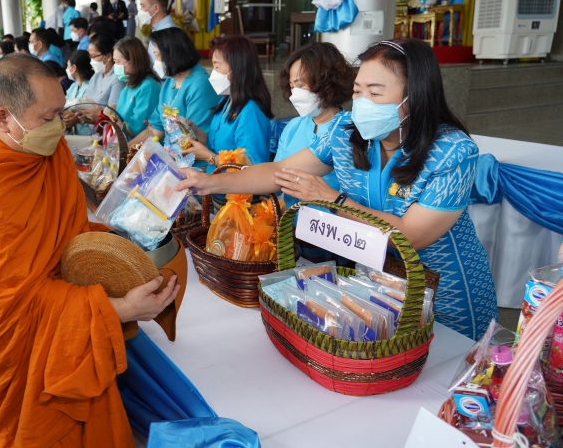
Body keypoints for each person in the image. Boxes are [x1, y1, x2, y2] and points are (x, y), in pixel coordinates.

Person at [177, 38, 499, 340]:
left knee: (452, 373)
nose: (361, 103)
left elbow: (412, 236)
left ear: (416, 95)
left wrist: (334, 200)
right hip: (375, 281)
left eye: (375, 93)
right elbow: (279, 172)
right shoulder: (344, 132)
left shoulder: (453, 152)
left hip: (444, 289)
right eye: (358, 91)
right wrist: (212, 180)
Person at [0, 54, 180, 448]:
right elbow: (10, 303)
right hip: (23, 347)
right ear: (2, 119)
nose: (57, 126)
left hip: (65, 316)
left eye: (60, 113)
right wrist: (119, 310)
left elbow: (66, 233)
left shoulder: (40, 151)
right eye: (47, 117)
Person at [274, 43, 353, 209]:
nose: (295, 94)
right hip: (289, 226)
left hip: (332, 229)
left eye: (301, 85)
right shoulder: (293, 127)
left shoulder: (349, 131)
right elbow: (274, 175)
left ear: (326, 82)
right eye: (292, 86)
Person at [129, 28, 218, 169]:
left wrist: (155, 163)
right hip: (172, 160)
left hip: (195, 166)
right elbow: (155, 130)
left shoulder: (199, 84)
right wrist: (126, 149)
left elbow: (193, 140)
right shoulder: (170, 82)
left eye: (157, 56)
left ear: (171, 54)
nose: (154, 63)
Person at [181, 35, 273, 172]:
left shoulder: (250, 111)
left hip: (234, 191)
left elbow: (249, 166)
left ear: (238, 68)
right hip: (215, 186)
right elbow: (219, 145)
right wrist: (195, 132)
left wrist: (209, 157)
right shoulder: (227, 102)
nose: (213, 73)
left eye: (217, 66)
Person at [112, 37, 160, 138]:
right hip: (124, 142)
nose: (115, 66)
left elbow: (138, 128)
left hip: (140, 147)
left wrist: (113, 120)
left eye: (117, 62)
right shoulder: (129, 85)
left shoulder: (148, 86)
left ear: (132, 61)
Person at [84, 32, 124, 115]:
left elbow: (112, 113)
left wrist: (98, 114)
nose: (92, 61)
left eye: (94, 56)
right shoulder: (96, 76)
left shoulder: (117, 79)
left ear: (109, 56)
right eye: (90, 56)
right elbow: (85, 101)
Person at [139, 0, 176, 65]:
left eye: (143, 6)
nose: (140, 11)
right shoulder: (157, 28)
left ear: (155, 8)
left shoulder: (168, 32)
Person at [63, 49, 95, 135]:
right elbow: (64, 104)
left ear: (74, 68)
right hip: (75, 134)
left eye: (67, 66)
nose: (67, 69)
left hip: (89, 134)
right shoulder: (73, 86)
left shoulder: (91, 86)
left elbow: (90, 111)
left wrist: (77, 118)